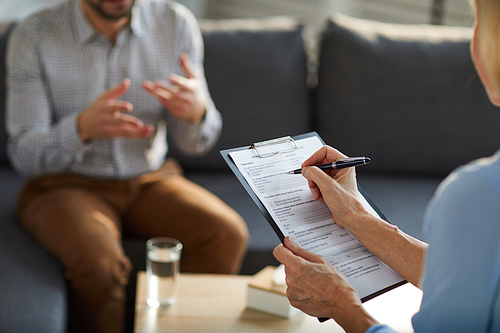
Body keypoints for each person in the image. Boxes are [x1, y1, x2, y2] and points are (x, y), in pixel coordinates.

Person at [5, 0, 249, 332]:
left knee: (226, 234)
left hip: (150, 178)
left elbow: (195, 143)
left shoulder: (175, 24)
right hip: (64, 184)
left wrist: (196, 115)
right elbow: (23, 154)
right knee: (99, 265)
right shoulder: (34, 33)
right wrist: (81, 130)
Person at [273, 0, 500, 332]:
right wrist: (355, 217)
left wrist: (339, 302)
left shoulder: (479, 196)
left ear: (484, 50)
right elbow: (472, 275)